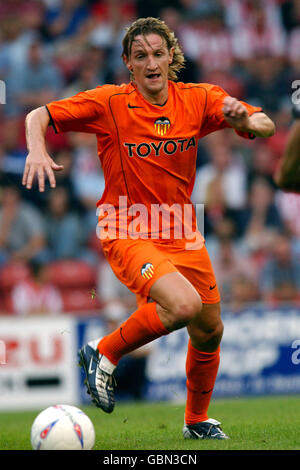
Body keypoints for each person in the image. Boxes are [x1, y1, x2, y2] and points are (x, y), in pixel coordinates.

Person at [22, 17, 275, 440]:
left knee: (210, 329)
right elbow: (38, 115)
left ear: (172, 57)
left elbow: (265, 124)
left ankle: (195, 421)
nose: (151, 62)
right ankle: (103, 352)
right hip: (126, 226)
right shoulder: (110, 103)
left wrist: (245, 121)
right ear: (128, 64)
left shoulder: (199, 99)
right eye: (141, 56)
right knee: (184, 306)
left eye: (158, 53)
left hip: (181, 230)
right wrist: (36, 150)